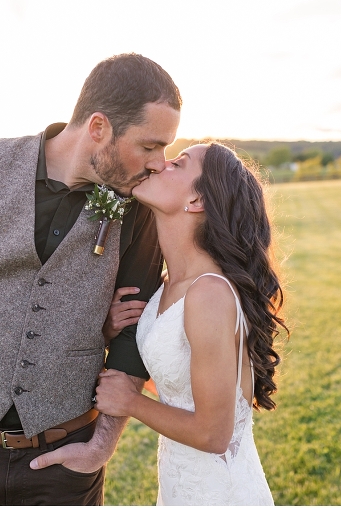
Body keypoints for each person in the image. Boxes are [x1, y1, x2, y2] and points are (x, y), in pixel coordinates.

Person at [0, 53, 181, 505]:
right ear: (99, 128)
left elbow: (134, 333)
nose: (160, 163)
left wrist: (100, 447)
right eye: (150, 146)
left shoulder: (137, 208)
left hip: (67, 463)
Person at [94, 143, 288, 505]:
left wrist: (131, 402)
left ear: (197, 200)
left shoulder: (209, 293)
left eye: (179, 163)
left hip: (218, 493)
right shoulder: (171, 283)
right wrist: (109, 334)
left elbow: (214, 434)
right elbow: (180, 381)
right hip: (182, 486)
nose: (160, 163)